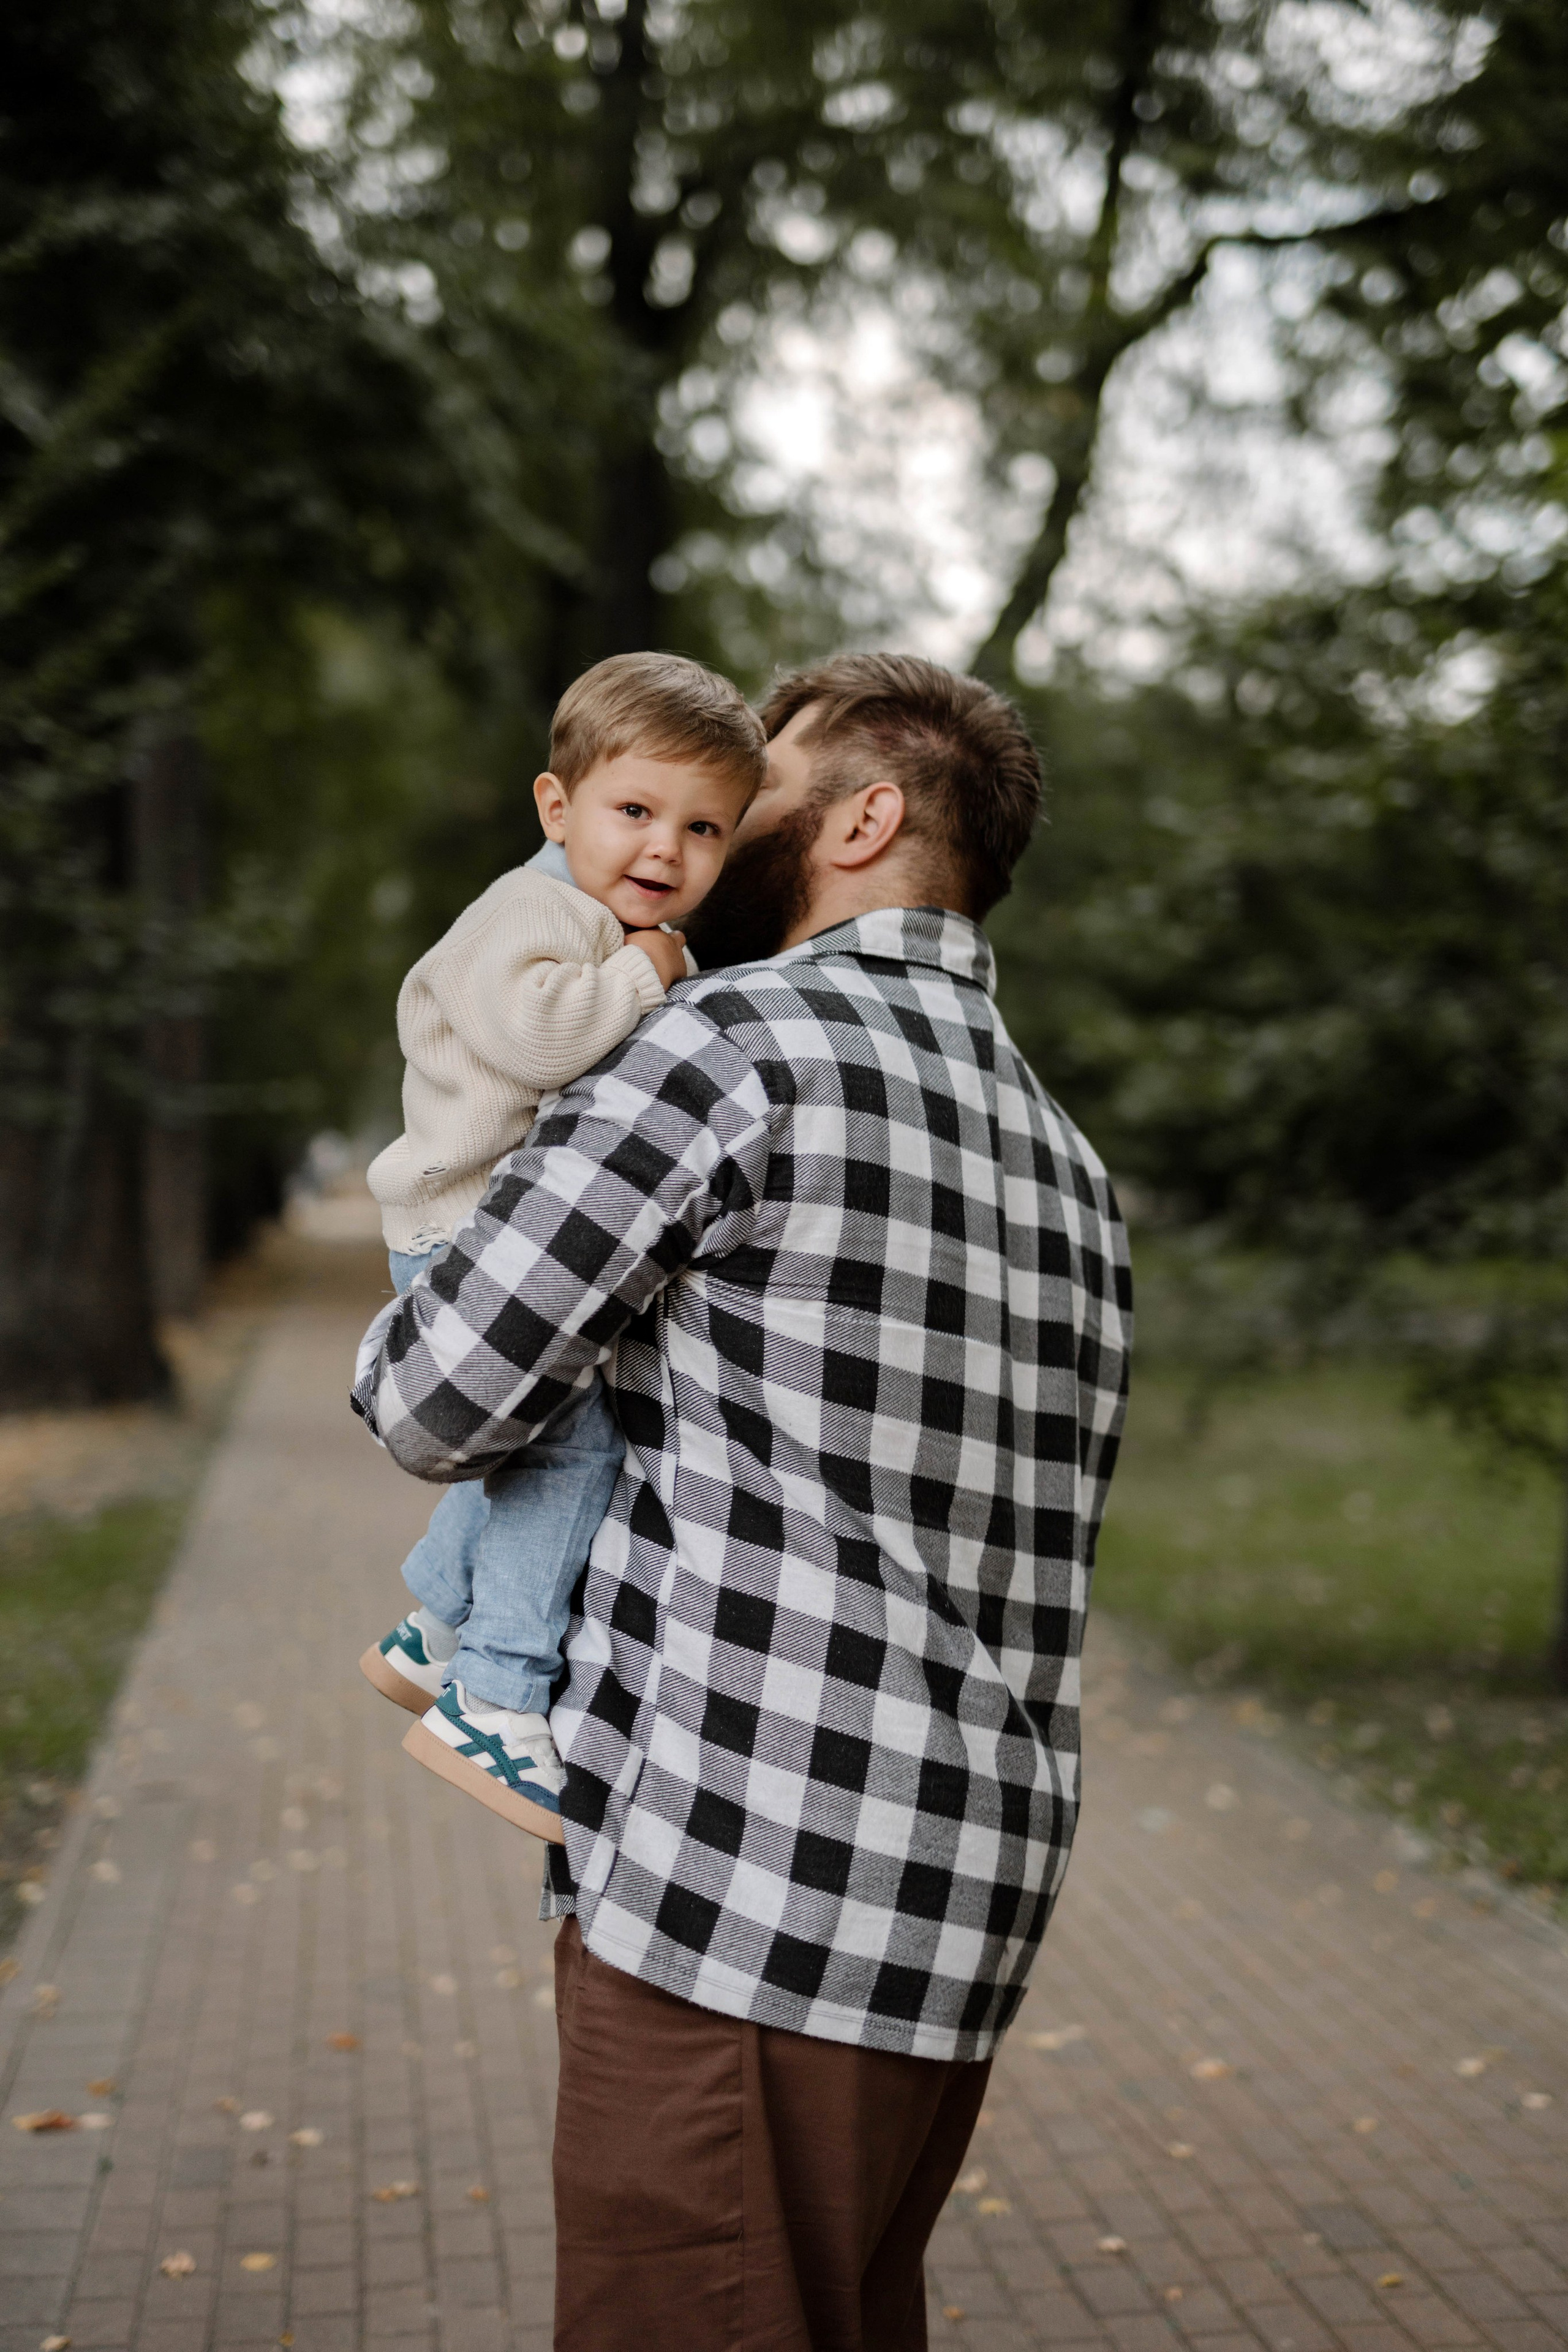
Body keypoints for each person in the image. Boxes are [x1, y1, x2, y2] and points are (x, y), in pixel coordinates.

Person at [353, 652, 1132, 2351]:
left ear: (862, 819)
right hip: (963, 1902)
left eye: (752, 792)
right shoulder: (1069, 1163)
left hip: (737, 1898)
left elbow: (434, 1394)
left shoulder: (725, 1043)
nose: (702, 837)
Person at [358, 651, 765, 1838]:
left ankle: (432, 1627)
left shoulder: (584, 914)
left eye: (702, 829)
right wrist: (643, 973)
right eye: (633, 811)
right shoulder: (534, 912)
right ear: (556, 806)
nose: (665, 850)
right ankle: (494, 1695)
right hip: (463, 1233)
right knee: (571, 1457)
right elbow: (539, 1039)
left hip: (492, 1235)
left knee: (528, 1445)